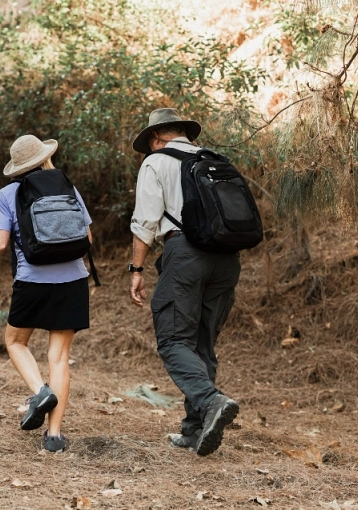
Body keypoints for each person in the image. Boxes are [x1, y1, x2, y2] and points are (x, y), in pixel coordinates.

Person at [0, 134, 93, 453]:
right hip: (74, 281)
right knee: (59, 357)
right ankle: (54, 436)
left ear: (17, 167)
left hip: (33, 282)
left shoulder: (7, 194)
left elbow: (1, 243)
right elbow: (88, 236)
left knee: (15, 341)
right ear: (45, 158)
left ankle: (39, 391)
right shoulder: (67, 186)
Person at [128, 108, 241, 456]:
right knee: (202, 343)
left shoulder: (156, 162)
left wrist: (137, 269)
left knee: (174, 339)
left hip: (185, 254)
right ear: (184, 133)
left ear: (154, 138)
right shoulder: (215, 160)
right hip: (226, 257)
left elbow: (145, 221)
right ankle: (194, 430)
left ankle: (210, 401)